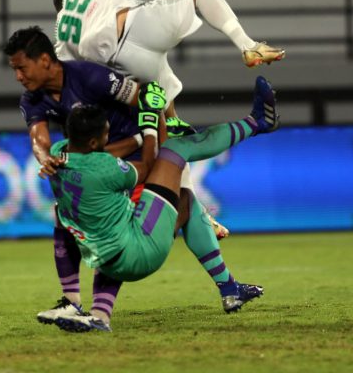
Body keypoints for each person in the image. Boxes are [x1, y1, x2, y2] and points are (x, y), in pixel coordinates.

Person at [4, 26, 231, 326]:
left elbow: (145, 98)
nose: (19, 77)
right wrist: (45, 158)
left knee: (145, 218)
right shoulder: (32, 99)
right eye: (15, 70)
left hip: (136, 155)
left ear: (44, 60)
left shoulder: (89, 76)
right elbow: (38, 139)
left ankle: (225, 283)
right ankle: (76, 304)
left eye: (22, 67)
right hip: (98, 163)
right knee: (66, 214)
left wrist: (154, 132)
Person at [44, 74, 279, 332]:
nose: (107, 140)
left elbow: (98, 154)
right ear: (93, 142)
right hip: (139, 251)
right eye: (105, 136)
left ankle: (99, 316)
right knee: (176, 150)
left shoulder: (59, 154)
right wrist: (149, 122)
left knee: (185, 201)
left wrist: (133, 140)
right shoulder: (103, 170)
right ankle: (257, 122)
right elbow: (147, 164)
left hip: (106, 256)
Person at [53, 0, 285, 124]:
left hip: (127, 65)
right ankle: (249, 46)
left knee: (161, 94)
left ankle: (172, 123)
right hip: (135, 29)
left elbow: (66, 81)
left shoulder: (61, 38)